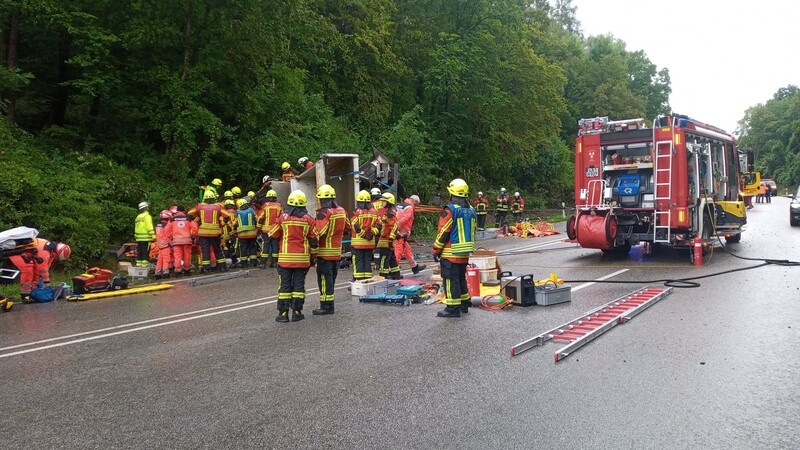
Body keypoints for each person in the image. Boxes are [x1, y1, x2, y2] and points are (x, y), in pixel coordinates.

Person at [267, 190, 318, 322]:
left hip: (285, 260)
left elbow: (272, 233)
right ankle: (297, 312)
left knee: (284, 286)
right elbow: (314, 240)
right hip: (302, 259)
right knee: (298, 286)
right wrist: (313, 256)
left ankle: (283, 314)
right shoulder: (309, 220)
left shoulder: (283, 218)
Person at [432, 178, 477, 318]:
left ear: (452, 193)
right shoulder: (471, 210)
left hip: (451, 252)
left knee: (450, 280)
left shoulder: (450, 210)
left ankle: (452, 308)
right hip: (464, 252)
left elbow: (444, 231)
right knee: (460, 278)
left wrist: (436, 249)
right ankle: (464, 303)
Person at [312, 184, 351, 315]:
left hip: (324, 253)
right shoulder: (342, 211)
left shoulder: (324, 213)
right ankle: (330, 304)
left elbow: (318, 232)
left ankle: (326, 306)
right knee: (331, 279)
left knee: (324, 280)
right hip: (336, 253)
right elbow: (348, 228)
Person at [9, 238, 70, 303]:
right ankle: (25, 295)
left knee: (34, 269)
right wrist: (47, 285)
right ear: (56, 251)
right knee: (28, 269)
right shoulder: (45, 252)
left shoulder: (51, 250)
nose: (56, 258)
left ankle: (32, 290)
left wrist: (37, 282)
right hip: (15, 251)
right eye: (57, 256)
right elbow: (43, 270)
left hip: (25, 252)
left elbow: (46, 266)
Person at [195, 190, 227, 272]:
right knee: (217, 249)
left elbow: (190, 213)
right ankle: (222, 267)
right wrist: (222, 223)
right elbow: (227, 215)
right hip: (215, 233)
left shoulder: (199, 206)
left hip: (203, 233)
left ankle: (206, 269)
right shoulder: (218, 207)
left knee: (205, 250)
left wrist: (199, 218)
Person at [350, 190, 379, 280]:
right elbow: (379, 225)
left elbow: (355, 224)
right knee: (367, 261)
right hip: (369, 243)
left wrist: (363, 235)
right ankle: (367, 280)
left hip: (358, 243)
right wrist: (371, 234)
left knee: (358, 261)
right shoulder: (374, 211)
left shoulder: (357, 211)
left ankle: (358, 281)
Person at [394, 195, 427, 275]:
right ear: (415, 201)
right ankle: (394, 270)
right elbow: (404, 220)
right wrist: (397, 230)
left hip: (398, 232)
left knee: (407, 250)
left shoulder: (399, 205)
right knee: (398, 251)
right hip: (401, 233)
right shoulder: (409, 208)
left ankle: (414, 267)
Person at [165, 205, 197, 276]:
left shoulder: (172, 219)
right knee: (187, 256)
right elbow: (194, 228)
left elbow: (167, 229)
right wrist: (193, 236)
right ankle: (186, 270)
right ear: (183, 211)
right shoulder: (188, 218)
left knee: (177, 256)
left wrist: (171, 237)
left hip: (176, 241)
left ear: (177, 211)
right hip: (187, 240)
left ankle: (178, 271)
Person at [376, 192, 401, 279]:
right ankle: (396, 274)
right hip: (387, 239)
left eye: (384, 201)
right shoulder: (388, 212)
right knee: (392, 258)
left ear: (389, 202)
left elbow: (393, 227)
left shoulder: (390, 213)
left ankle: (383, 276)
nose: (382, 203)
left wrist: (391, 239)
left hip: (386, 240)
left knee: (383, 259)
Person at [258, 189, 283, 268]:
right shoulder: (279, 206)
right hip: (275, 230)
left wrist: (258, 227)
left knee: (266, 245)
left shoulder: (265, 205)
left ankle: (263, 263)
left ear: (267, 197)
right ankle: (274, 263)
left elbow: (261, 217)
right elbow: (282, 217)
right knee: (275, 245)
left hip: (266, 230)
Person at [234, 198, 259, 268]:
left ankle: (244, 263)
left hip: (242, 235)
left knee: (243, 248)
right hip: (252, 234)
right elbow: (257, 219)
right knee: (252, 247)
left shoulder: (237, 212)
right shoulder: (252, 210)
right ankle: (253, 262)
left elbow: (235, 223)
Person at [134, 201, 156, 267]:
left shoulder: (138, 217)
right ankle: (144, 267)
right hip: (146, 239)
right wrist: (153, 236)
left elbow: (136, 228)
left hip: (139, 238)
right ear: (146, 208)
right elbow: (149, 227)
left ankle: (138, 265)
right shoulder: (147, 216)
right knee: (145, 253)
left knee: (139, 252)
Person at [154, 210, 173, 279]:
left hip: (159, 244)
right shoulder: (166, 225)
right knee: (166, 259)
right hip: (165, 244)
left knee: (160, 259)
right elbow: (169, 235)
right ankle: (165, 272)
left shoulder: (158, 225)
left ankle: (157, 273)